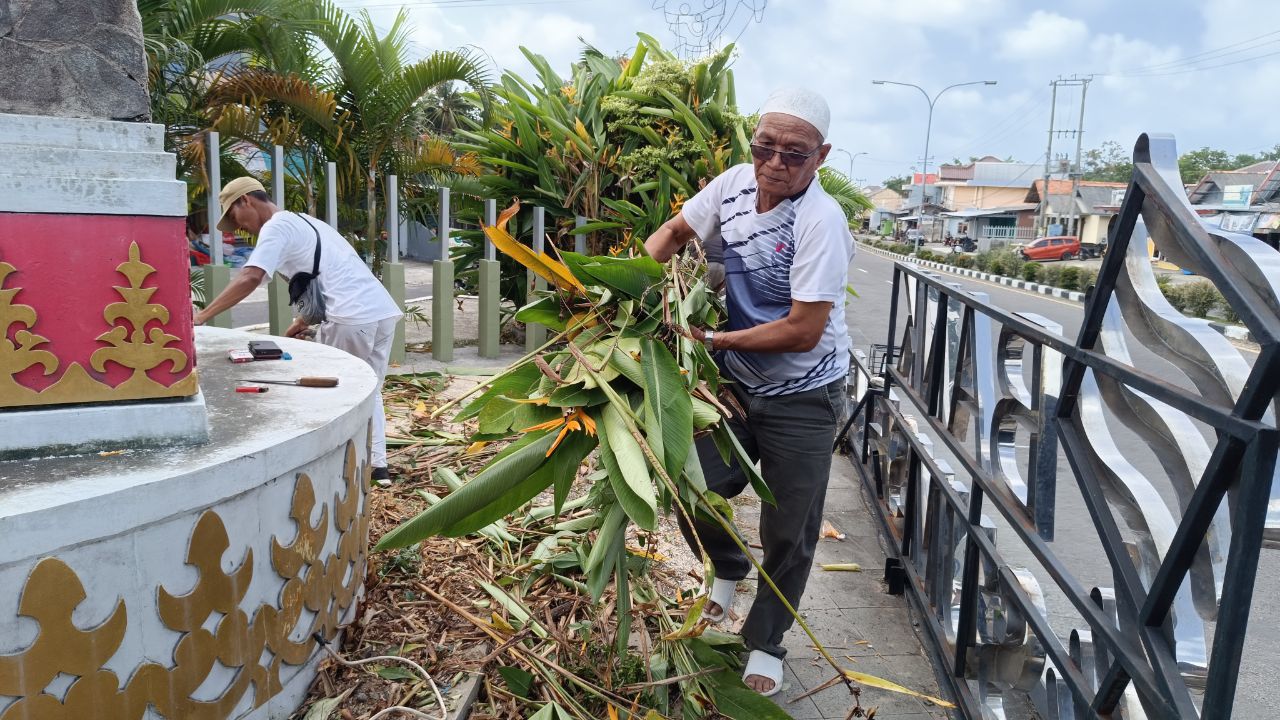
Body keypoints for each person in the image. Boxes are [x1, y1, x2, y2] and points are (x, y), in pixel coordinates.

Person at [644, 87, 853, 697]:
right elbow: (673, 233)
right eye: (766, 147)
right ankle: (730, 568)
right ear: (752, 145)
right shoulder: (732, 186)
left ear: (821, 157)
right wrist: (635, 292)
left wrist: (711, 339)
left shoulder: (821, 221)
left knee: (789, 529)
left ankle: (765, 641)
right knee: (689, 483)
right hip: (735, 385)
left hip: (806, 394)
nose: (775, 164)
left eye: (795, 154)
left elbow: (802, 328)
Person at [193, 177, 401, 482]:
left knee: (334, 395)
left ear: (246, 201)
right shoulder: (307, 223)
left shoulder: (275, 227)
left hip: (349, 317)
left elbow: (251, 276)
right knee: (370, 391)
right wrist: (302, 323)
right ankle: (377, 467)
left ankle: (332, 471)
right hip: (378, 312)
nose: (239, 228)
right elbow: (329, 275)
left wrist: (203, 316)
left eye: (235, 218)